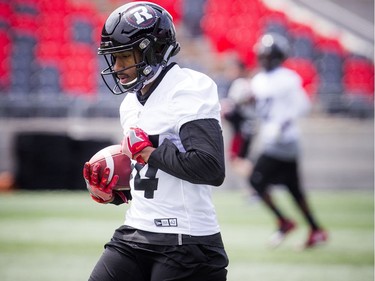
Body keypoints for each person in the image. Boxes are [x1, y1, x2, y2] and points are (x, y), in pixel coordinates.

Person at [83, 2, 229, 281]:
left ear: (154, 49)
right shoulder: (130, 104)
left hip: (186, 241)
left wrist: (149, 152)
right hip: (135, 232)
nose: (117, 67)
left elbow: (211, 167)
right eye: (114, 58)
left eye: (124, 56)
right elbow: (155, 180)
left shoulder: (188, 88)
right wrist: (117, 195)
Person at [247, 33, 328, 249]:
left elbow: (303, 105)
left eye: (267, 55)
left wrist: (283, 122)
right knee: (294, 189)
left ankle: (284, 222)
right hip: (274, 140)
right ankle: (316, 230)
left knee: (256, 180)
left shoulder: (287, 78)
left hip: (284, 141)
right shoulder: (259, 79)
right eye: (261, 55)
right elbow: (260, 105)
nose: (263, 59)